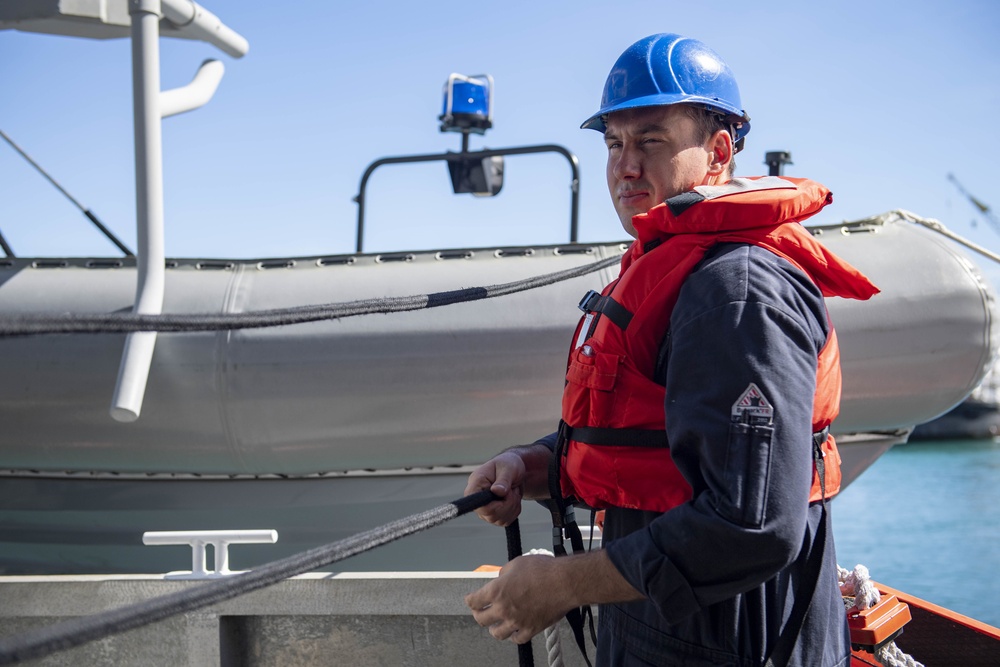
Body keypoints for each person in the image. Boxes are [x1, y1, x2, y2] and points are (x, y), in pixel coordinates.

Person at [463, 33, 880, 667]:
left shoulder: (736, 292)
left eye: (651, 140)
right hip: (674, 629)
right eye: (614, 143)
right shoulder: (685, 273)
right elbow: (659, 442)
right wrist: (535, 464)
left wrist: (563, 583)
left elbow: (751, 525)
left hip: (732, 640)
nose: (625, 165)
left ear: (717, 153)